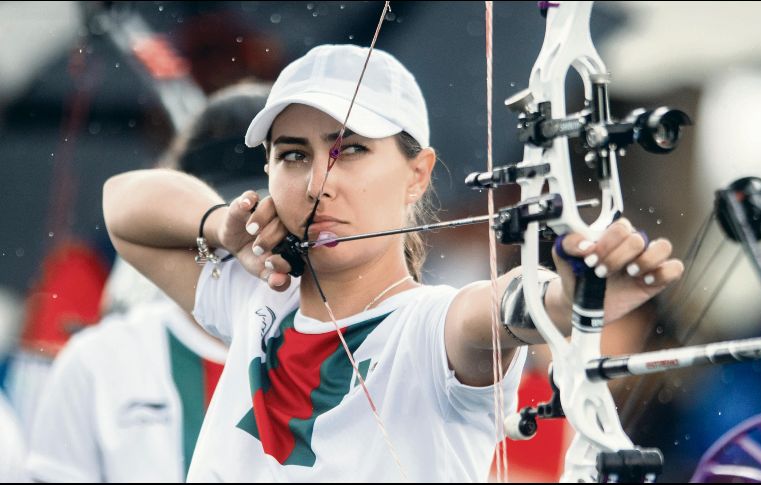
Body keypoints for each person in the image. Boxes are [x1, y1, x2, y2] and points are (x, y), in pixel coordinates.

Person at [102, 44, 684, 481]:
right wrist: (218, 226)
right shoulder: (258, 295)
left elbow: (504, 308)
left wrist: (576, 297)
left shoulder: (431, 329)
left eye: (349, 149)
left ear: (418, 173)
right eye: (292, 155)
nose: (317, 183)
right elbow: (122, 207)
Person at [26, 82, 271, 482]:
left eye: (267, 218)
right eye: (226, 225)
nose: (246, 241)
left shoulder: (350, 347)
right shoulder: (100, 361)